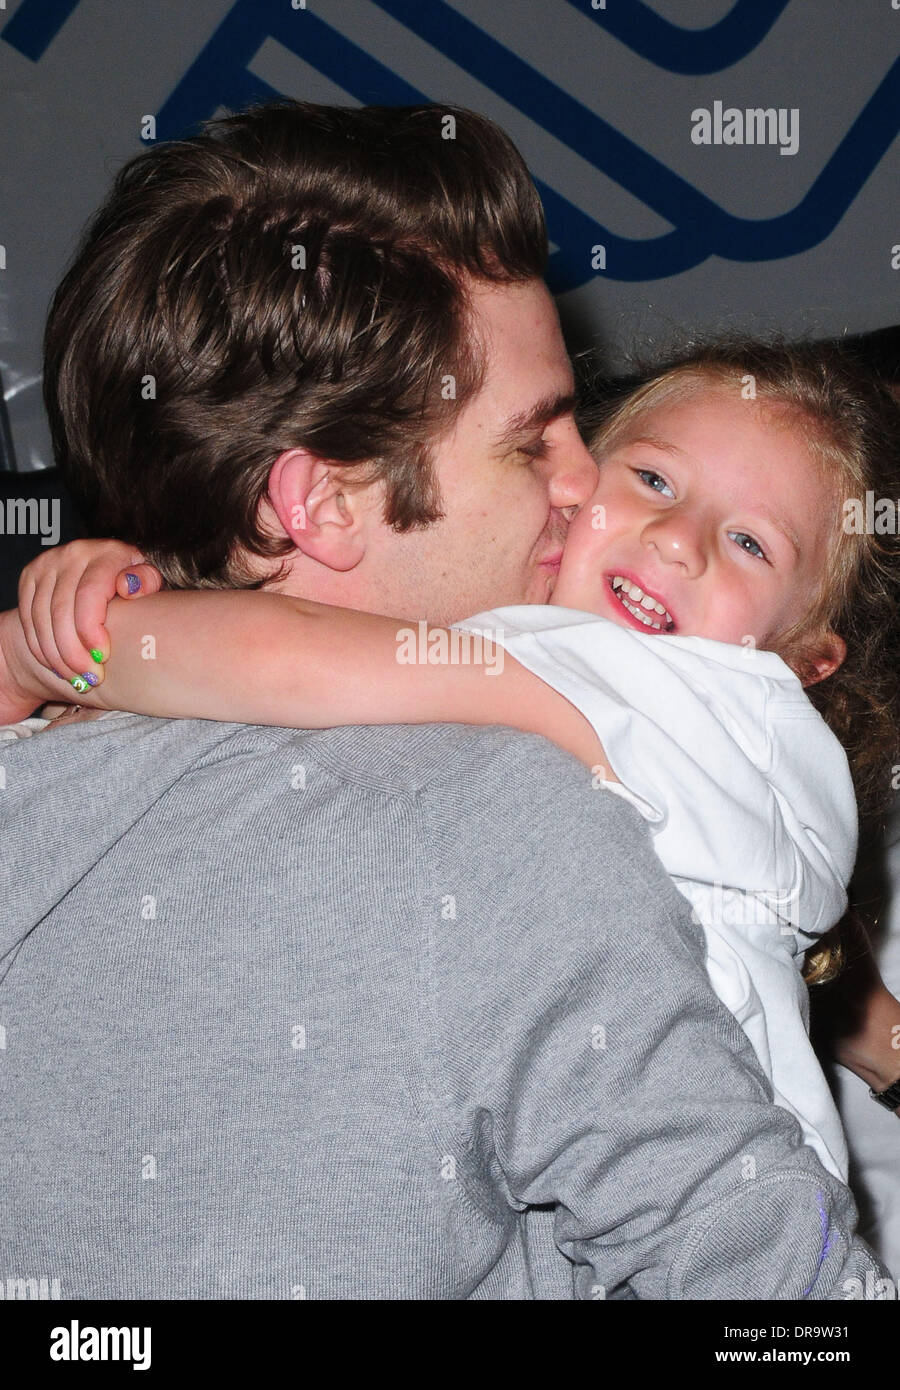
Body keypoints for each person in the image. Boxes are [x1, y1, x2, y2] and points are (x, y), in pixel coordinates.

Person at [0, 100, 890, 1299]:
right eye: (536, 444)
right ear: (314, 506)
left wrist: (58, 648)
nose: (586, 493)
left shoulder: (42, 766)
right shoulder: (507, 813)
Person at [17, 338, 900, 1187]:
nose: (677, 539)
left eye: (752, 544)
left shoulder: (672, 690)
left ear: (802, 661)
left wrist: (61, 644)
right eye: (653, 479)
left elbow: (291, 658)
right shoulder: (738, 750)